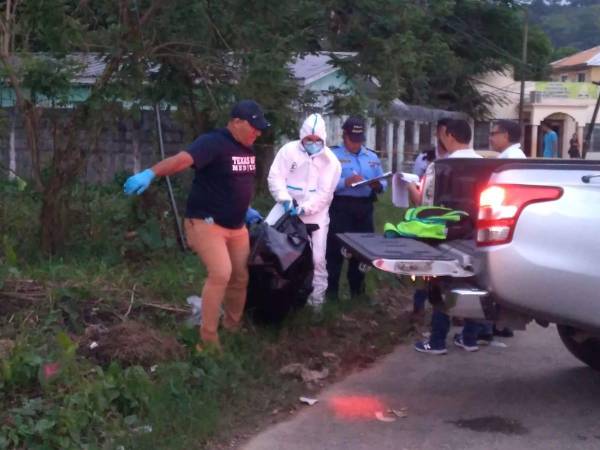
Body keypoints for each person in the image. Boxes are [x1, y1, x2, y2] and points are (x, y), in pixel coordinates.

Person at [123, 99, 270, 350]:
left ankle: (233, 328)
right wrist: (151, 173)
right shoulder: (213, 142)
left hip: (237, 226)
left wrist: (246, 210)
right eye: (253, 127)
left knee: (240, 276)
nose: (258, 132)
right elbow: (182, 159)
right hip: (206, 222)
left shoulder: (248, 148)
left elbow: (235, 183)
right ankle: (208, 342)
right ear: (236, 122)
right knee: (221, 273)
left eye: (260, 128)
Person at [413, 119, 485, 355]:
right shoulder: (486, 166)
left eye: (444, 136)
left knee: (441, 286)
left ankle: (436, 342)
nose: (442, 140)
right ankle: (470, 339)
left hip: (446, 234)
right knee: (475, 284)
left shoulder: (440, 167)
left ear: (451, 136)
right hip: (478, 234)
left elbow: (427, 203)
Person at [267, 113, 342, 311]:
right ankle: (270, 293)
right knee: (267, 244)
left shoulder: (331, 162)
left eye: (318, 140)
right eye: (309, 139)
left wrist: (305, 208)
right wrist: (284, 199)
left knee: (317, 257)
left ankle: (316, 302)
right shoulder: (288, 151)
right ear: (302, 137)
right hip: (286, 206)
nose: (313, 143)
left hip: (315, 213)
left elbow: (324, 194)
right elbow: (275, 177)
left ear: (324, 140)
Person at [325, 116, 387, 301]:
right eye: (352, 140)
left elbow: (383, 181)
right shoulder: (332, 155)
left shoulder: (371, 156)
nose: (356, 144)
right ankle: (331, 294)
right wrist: (346, 182)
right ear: (344, 136)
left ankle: (358, 291)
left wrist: (378, 185)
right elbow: (324, 183)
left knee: (362, 252)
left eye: (359, 140)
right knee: (335, 251)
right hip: (340, 207)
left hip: (364, 208)